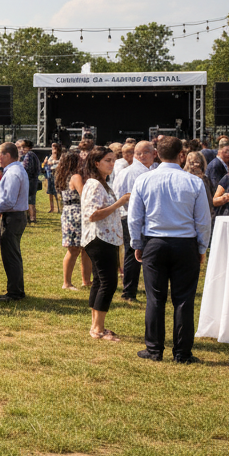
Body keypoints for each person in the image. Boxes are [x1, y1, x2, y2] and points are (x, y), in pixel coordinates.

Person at [128, 137, 212, 364]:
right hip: (185, 243)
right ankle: (182, 353)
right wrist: (202, 246)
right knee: (184, 299)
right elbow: (203, 220)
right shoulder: (194, 182)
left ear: (156, 154)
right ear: (181, 155)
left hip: (155, 242)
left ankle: (154, 349)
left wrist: (137, 243)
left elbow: (135, 217)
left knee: (155, 299)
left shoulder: (144, 180)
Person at [82, 146, 130, 341]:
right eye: (107, 160)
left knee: (101, 282)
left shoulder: (102, 183)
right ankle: (98, 329)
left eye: (113, 160)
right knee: (108, 282)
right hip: (100, 238)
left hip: (105, 238)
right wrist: (119, 203)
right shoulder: (94, 184)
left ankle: (96, 325)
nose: (112, 164)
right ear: (96, 163)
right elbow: (93, 215)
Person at [113, 141, 154, 303]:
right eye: (139, 153)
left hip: (143, 218)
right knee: (133, 253)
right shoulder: (132, 172)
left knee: (141, 254)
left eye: (147, 153)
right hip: (131, 216)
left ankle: (138, 289)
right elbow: (121, 196)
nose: (143, 156)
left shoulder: (150, 171)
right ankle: (128, 292)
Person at [0, 143, 30, 301]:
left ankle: (14, 292)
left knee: (11, 256)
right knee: (13, 254)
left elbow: (8, 200)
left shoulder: (13, 173)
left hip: (13, 216)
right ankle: (16, 289)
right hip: (16, 215)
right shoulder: (16, 170)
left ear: (8, 155)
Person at [56, 151, 92, 290]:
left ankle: (86, 280)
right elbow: (85, 194)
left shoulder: (63, 176)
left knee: (83, 248)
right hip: (77, 213)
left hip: (70, 212)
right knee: (75, 249)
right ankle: (67, 283)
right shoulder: (76, 177)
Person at [19, 140, 40, 223]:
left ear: (28, 148)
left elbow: (26, 168)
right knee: (31, 200)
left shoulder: (29, 155)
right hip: (33, 181)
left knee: (30, 201)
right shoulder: (33, 155)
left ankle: (31, 218)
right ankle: (32, 218)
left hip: (29, 181)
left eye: (23, 147)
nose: (22, 149)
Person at [44, 144, 63, 213]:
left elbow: (60, 164)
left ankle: (60, 208)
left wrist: (52, 163)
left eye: (54, 149)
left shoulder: (61, 156)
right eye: (52, 149)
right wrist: (46, 162)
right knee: (50, 192)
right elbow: (45, 165)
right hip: (50, 176)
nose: (53, 151)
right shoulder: (50, 156)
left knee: (59, 192)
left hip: (58, 176)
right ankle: (52, 208)